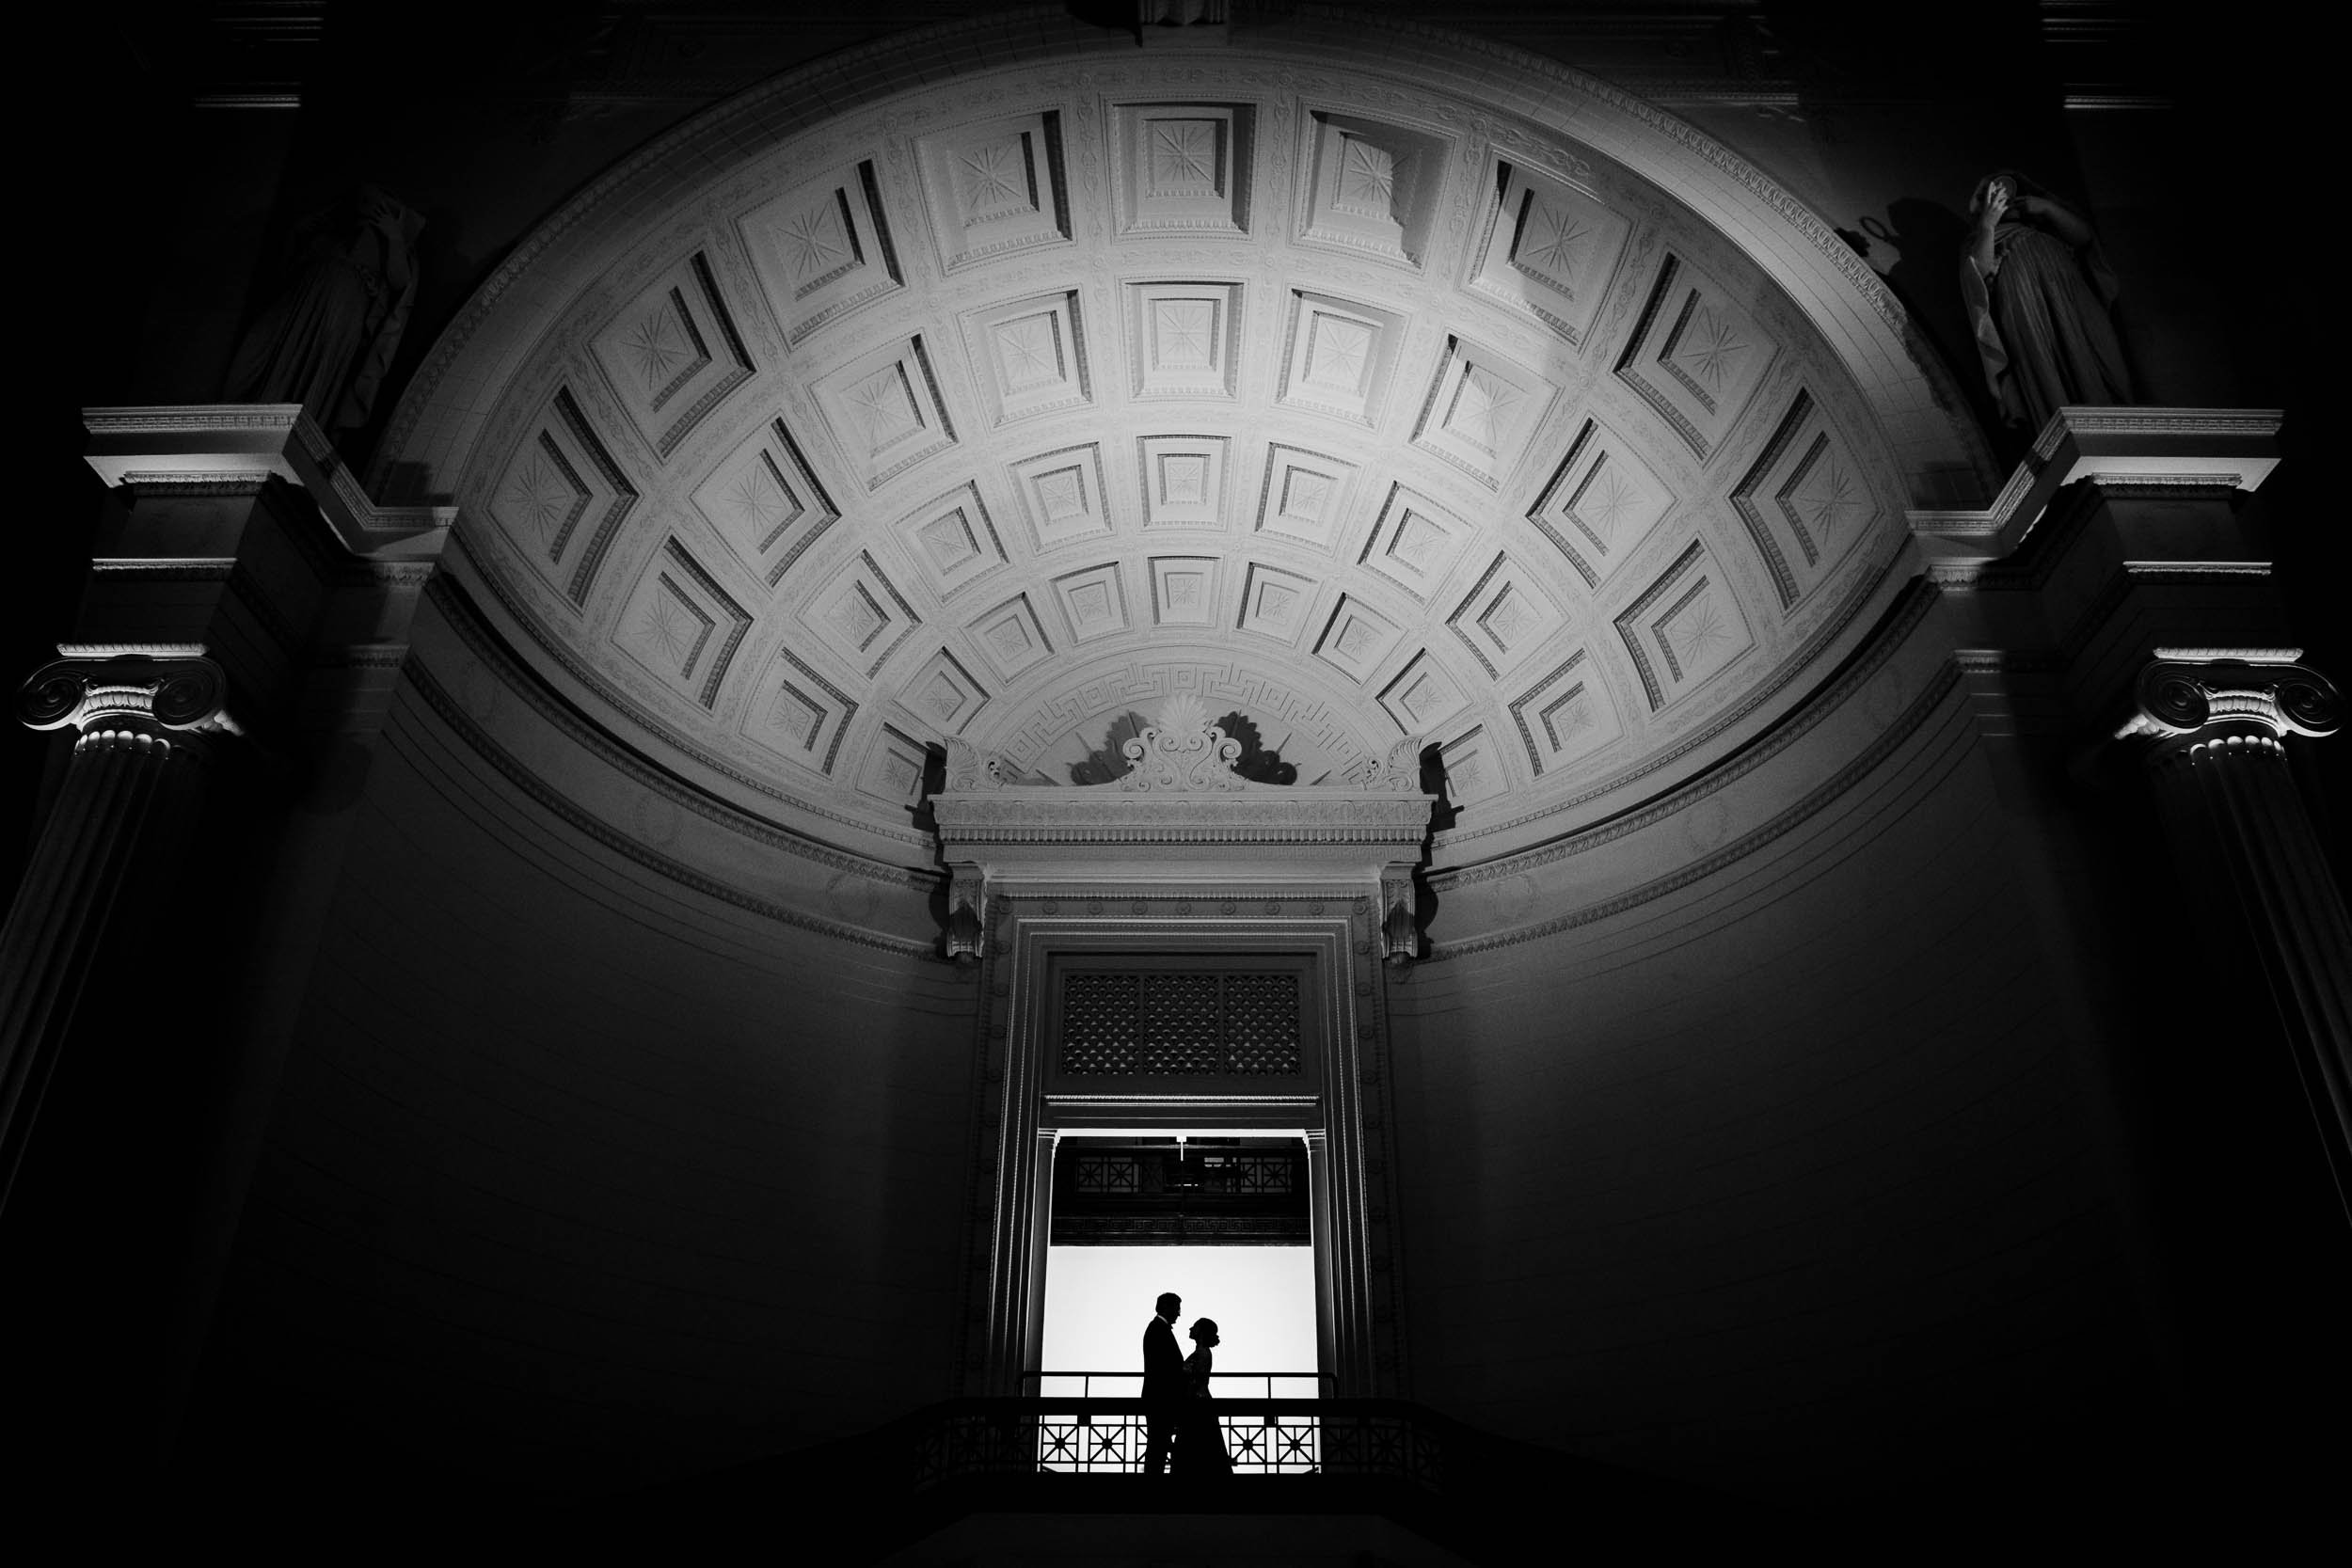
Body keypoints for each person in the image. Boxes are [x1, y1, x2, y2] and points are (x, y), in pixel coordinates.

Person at [1961, 169, 2135, 436]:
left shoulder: (2047, 231)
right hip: (2026, 305)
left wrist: (2048, 208)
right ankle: (2063, 437)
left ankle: (2115, 430)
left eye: (2010, 193)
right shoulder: (1985, 236)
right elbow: (1977, 273)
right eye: (1994, 195)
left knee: (2097, 355)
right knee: (2045, 366)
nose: (2004, 200)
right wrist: (1988, 224)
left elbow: (2084, 237)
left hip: (2073, 302)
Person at [1178, 1317, 1234, 1478]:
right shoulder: (1202, 1352)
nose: (1190, 1329)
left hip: (1197, 1405)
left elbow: (1197, 1380)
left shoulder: (1202, 1353)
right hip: (1200, 1403)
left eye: (1194, 1326)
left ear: (1201, 1332)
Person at [1140, 1291, 1185, 1475]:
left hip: (1158, 1397)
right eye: (1177, 1308)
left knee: (1157, 1444)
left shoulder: (1156, 1328)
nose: (1179, 1313)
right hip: (1161, 1399)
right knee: (1157, 1445)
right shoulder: (1158, 1330)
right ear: (1166, 1307)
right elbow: (1164, 1368)